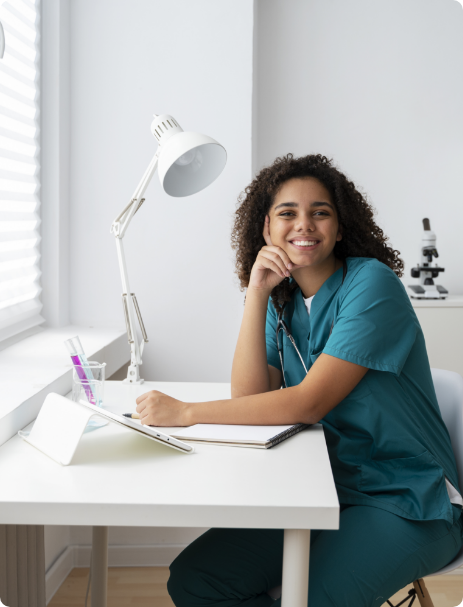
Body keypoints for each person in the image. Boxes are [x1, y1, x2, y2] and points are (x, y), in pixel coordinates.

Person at [136, 154, 462, 606]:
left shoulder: (372, 285)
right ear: (266, 229)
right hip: (320, 490)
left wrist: (187, 413)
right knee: (196, 579)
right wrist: (257, 293)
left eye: (320, 212)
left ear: (341, 226)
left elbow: (308, 403)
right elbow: (251, 400)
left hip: (407, 501)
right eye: (287, 213)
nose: (304, 224)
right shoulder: (282, 302)